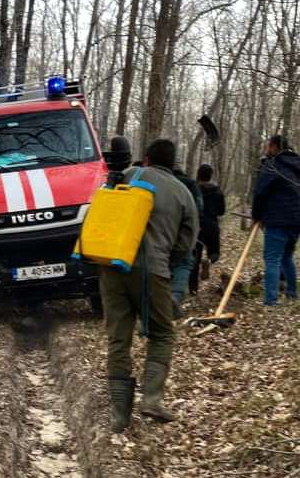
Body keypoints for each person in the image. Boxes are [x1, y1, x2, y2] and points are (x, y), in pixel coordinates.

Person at [100, 139, 199, 431]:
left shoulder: (125, 177)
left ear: (145, 158)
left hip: (112, 265)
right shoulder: (183, 193)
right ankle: (152, 398)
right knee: (163, 333)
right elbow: (184, 249)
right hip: (153, 271)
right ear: (173, 162)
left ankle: (120, 416)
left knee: (118, 338)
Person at [252, 135, 300, 306]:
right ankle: (292, 294)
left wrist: (256, 215)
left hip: (278, 219)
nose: (267, 150)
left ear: (273, 147)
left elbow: (260, 192)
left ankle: (271, 300)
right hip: (299, 219)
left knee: (272, 258)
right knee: (286, 256)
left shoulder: (272, 165)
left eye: (268, 146)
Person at [170, 168, 202, 318]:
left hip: (161, 232)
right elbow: (198, 207)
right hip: (183, 231)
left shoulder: (164, 182)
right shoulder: (190, 184)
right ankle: (176, 296)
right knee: (184, 262)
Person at [189, 164, 226, 294]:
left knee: (194, 258)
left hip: (196, 226)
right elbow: (222, 211)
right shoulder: (217, 191)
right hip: (212, 226)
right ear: (211, 176)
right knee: (214, 253)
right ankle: (209, 261)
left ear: (198, 174)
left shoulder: (193, 189)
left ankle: (193, 289)